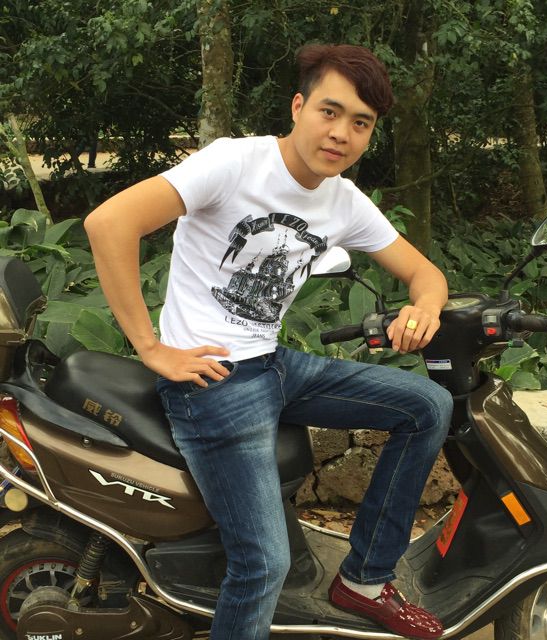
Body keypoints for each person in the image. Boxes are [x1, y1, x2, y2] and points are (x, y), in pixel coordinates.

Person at [85, 43, 453, 640]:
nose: (341, 133)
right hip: (214, 383)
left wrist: (425, 307)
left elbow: (425, 273)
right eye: (330, 111)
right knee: (264, 565)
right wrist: (151, 347)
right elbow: (109, 223)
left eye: (360, 123)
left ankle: (364, 579)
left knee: (428, 405)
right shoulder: (235, 163)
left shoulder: (343, 200)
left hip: (274, 365)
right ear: (299, 107)